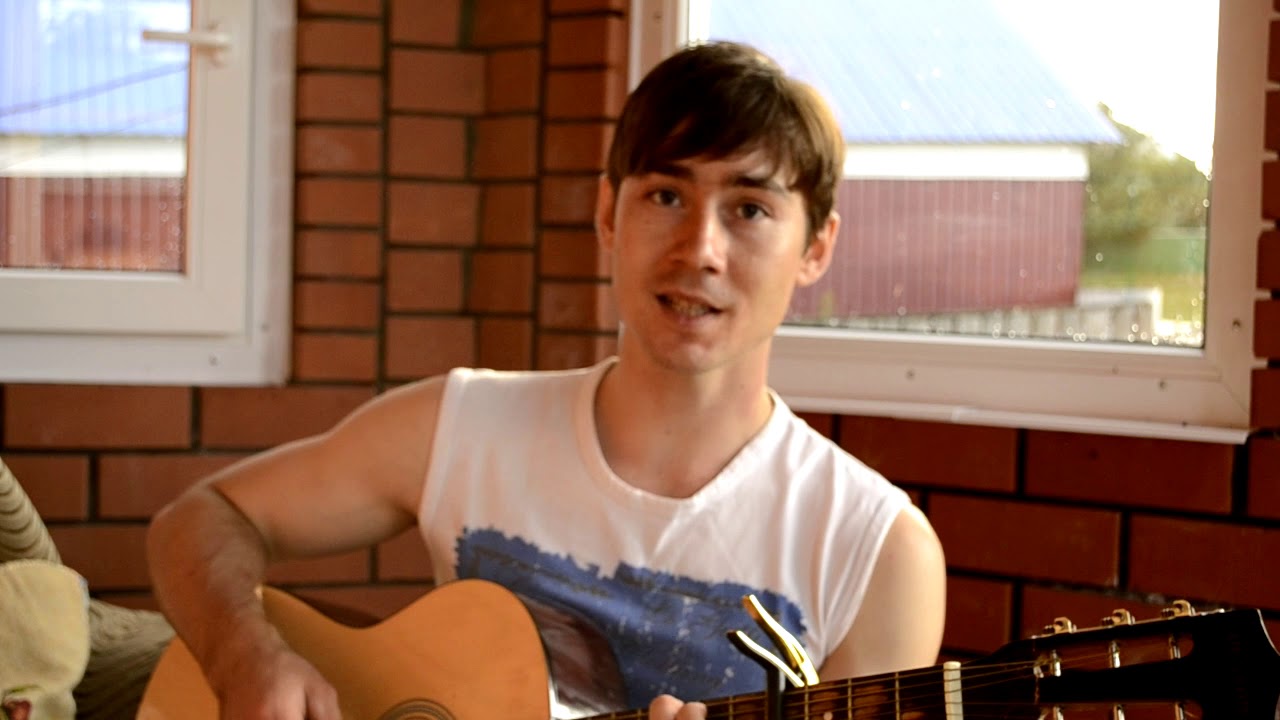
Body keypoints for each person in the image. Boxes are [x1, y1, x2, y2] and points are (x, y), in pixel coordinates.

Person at [146, 40, 947, 720]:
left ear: (817, 247)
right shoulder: (461, 426)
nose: (700, 250)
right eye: (666, 195)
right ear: (607, 215)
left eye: (749, 209)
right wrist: (243, 658)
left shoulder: (875, 551)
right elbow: (200, 519)